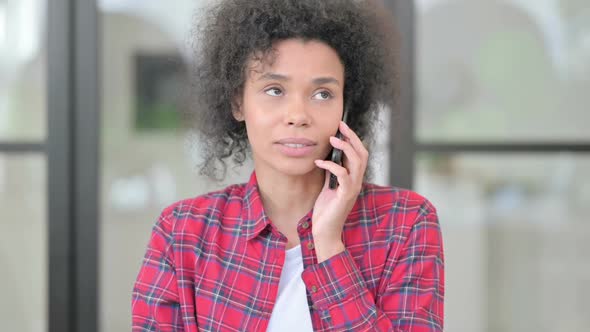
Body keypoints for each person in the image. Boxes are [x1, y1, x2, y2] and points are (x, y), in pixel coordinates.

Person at [132, 0, 444, 331]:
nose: (298, 115)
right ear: (239, 102)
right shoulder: (182, 233)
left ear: (345, 107)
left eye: (322, 94)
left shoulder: (406, 223)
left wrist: (329, 245)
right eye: (274, 89)